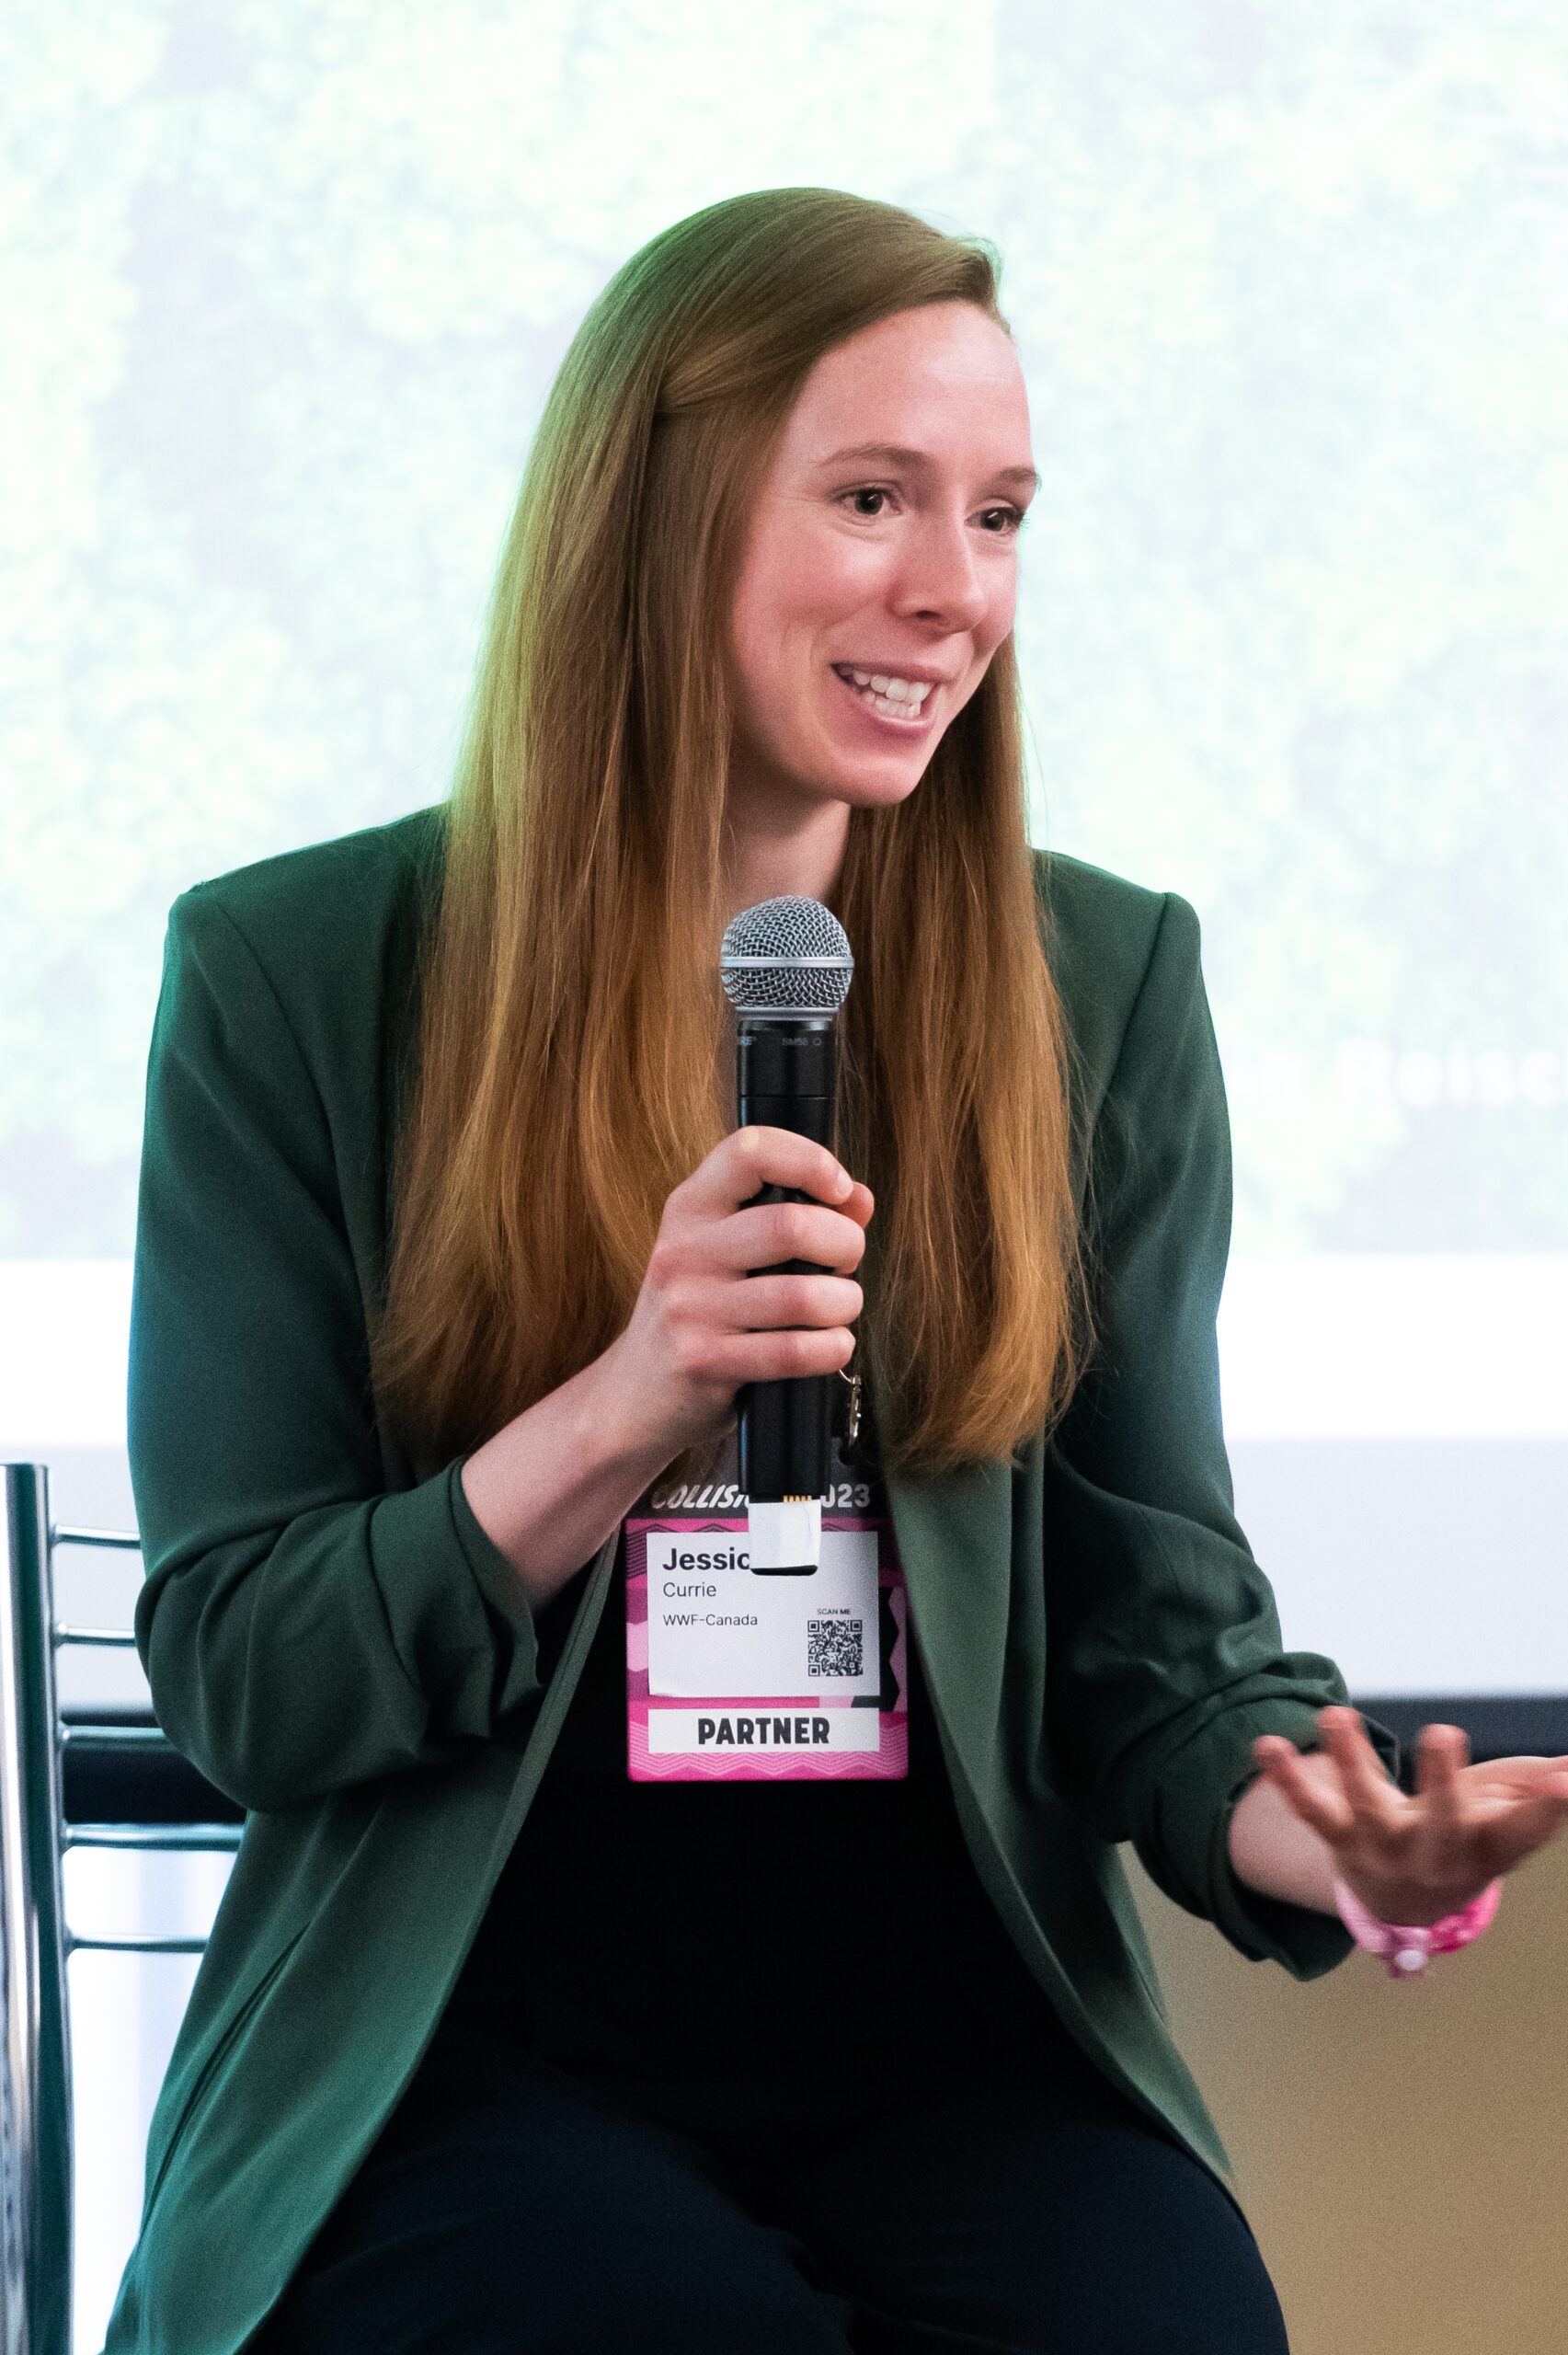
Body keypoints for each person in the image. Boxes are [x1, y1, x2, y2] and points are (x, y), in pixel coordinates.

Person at [101, 189, 1568, 2355]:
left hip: (947, 2048)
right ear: (655, 510)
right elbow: (243, 1676)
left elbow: (1161, 1641)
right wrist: (620, 1405)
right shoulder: (298, 974)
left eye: (996, 516)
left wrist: (1336, 1850)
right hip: (458, 2051)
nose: (949, 590)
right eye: (872, 496)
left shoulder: (1102, 981)